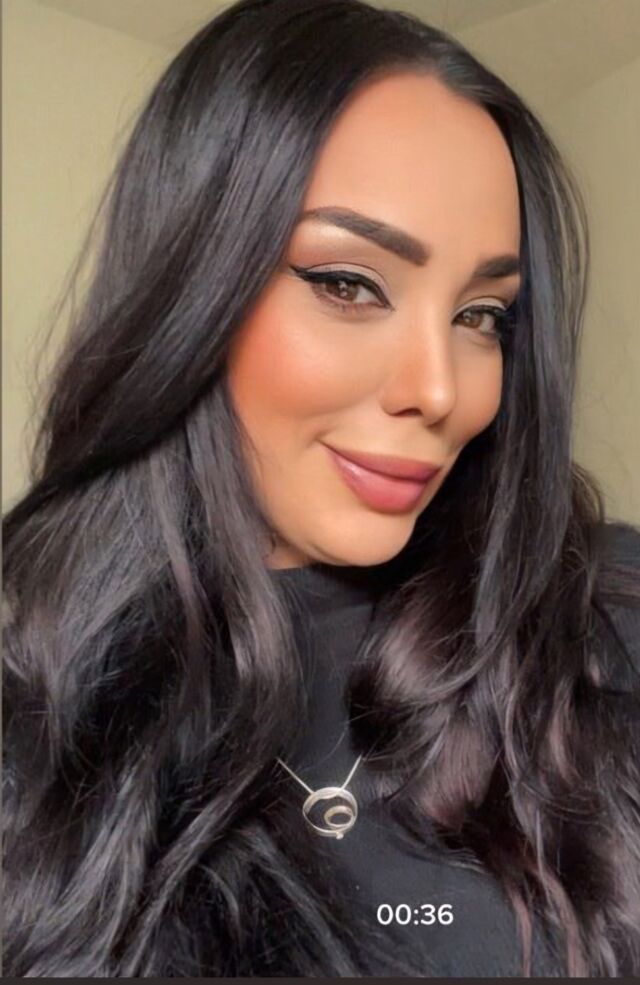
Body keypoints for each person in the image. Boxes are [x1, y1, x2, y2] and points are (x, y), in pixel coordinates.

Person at [3, 0, 640, 977]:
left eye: (482, 314)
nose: (440, 390)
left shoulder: (603, 621)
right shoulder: (40, 714)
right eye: (349, 283)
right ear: (191, 291)